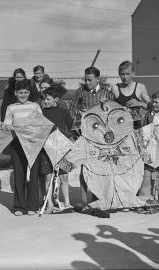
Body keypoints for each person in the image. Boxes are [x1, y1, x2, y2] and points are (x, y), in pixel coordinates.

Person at [69, 66, 113, 211]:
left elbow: (113, 112)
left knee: (99, 167)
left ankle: (97, 199)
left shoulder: (107, 93)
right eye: (85, 79)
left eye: (90, 80)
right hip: (84, 135)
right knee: (84, 166)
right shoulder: (80, 92)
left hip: (101, 138)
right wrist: (78, 113)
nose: (87, 82)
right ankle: (83, 200)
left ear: (97, 79)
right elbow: (71, 109)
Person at [4, 79, 41, 216]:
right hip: (17, 144)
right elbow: (6, 125)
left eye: (25, 92)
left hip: (33, 144)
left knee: (33, 175)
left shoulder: (35, 106)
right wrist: (13, 127)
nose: (23, 95)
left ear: (29, 93)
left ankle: (32, 206)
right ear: (15, 93)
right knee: (19, 175)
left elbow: (41, 123)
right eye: (20, 93)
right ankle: (19, 206)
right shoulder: (10, 107)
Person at [41, 86, 73, 213]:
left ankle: (67, 203)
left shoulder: (64, 112)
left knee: (64, 177)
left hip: (62, 149)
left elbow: (71, 129)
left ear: (56, 99)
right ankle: (49, 203)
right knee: (48, 178)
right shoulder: (42, 113)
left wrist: (68, 142)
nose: (45, 101)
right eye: (45, 99)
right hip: (46, 149)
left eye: (48, 99)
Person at [138, 90, 159, 204]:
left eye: (157, 102)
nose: (154, 104)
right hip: (150, 150)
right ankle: (145, 199)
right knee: (147, 173)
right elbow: (143, 130)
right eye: (153, 102)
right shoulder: (148, 115)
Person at [111, 61, 150, 130]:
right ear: (119, 74)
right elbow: (110, 108)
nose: (125, 77)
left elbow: (151, 106)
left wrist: (140, 103)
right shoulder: (115, 88)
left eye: (127, 74)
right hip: (119, 127)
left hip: (136, 127)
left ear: (133, 74)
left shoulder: (140, 87)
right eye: (122, 74)